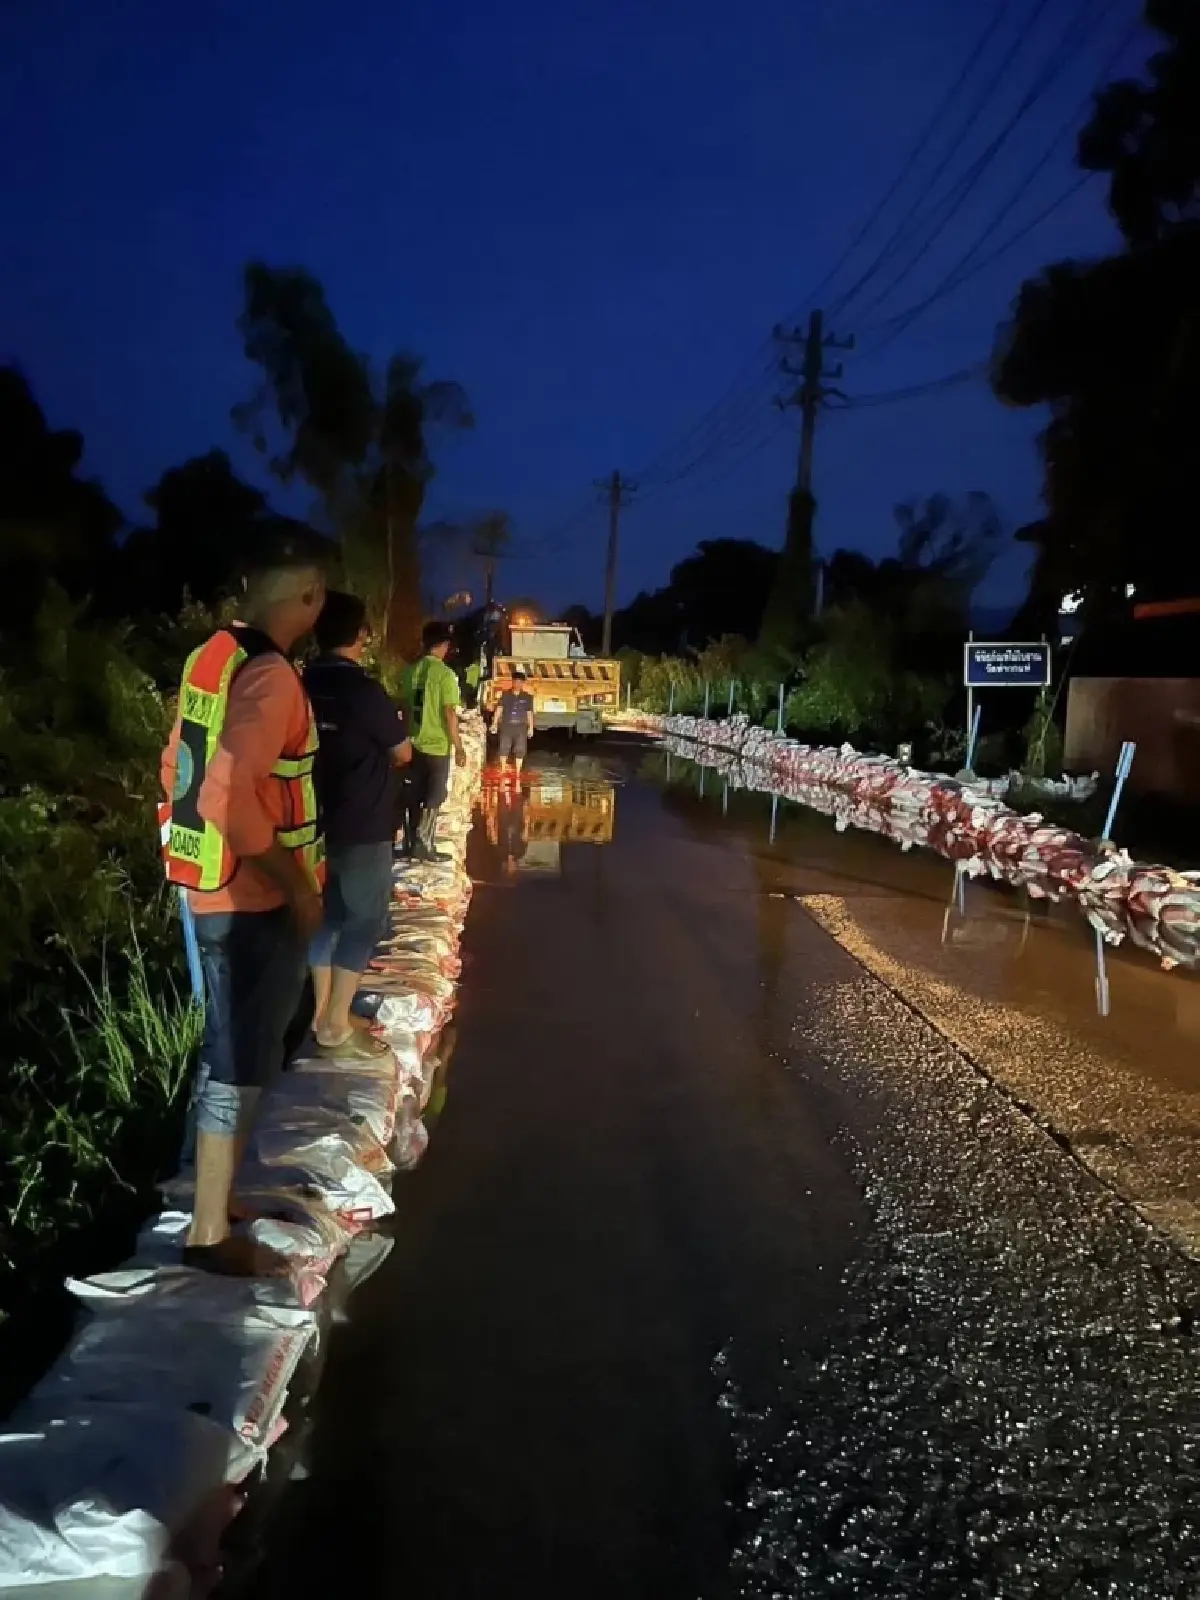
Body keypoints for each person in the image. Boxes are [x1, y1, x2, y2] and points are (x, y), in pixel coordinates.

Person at [159, 537, 327, 1276]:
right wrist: (294, 883)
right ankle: (206, 1237)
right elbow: (227, 789)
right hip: (251, 895)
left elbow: (176, 768)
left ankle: (215, 1203)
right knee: (240, 1060)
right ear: (310, 598)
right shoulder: (274, 678)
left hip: (208, 880)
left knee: (229, 1050)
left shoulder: (213, 657)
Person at [304, 592, 412, 1059]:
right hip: (362, 821)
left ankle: (320, 1010)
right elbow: (402, 751)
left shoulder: (300, 681)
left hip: (311, 819)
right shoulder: (363, 691)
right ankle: (334, 1022)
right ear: (360, 635)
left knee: (327, 916)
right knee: (364, 919)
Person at [403, 619, 466, 862]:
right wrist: (458, 747)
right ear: (443, 645)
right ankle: (424, 845)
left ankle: (410, 843)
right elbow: (450, 713)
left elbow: (405, 708)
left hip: (414, 744)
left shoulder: (410, 671)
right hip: (437, 747)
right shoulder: (445, 675)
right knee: (434, 796)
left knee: (414, 794)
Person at [492, 665, 535, 780]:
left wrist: (531, 727)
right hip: (507, 725)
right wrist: (494, 723)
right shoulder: (505, 695)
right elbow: (499, 709)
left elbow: (529, 712)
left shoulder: (527, 697)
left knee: (520, 750)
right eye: (516, 682)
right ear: (513, 682)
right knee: (504, 748)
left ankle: (517, 773)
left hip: (521, 727)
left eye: (520, 682)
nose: (518, 684)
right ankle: (502, 770)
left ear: (523, 683)